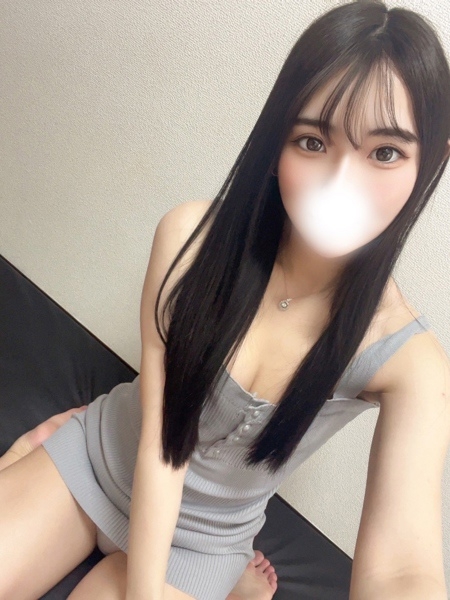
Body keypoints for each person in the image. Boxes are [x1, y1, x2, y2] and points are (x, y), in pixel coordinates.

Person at [2, 1, 450, 599]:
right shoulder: (190, 239)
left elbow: (403, 569)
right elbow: (163, 441)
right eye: (312, 141)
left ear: (431, 160)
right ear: (277, 146)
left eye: (385, 152)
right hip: (104, 458)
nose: (341, 182)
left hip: (204, 542)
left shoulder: (409, 361)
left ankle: (235, 581)